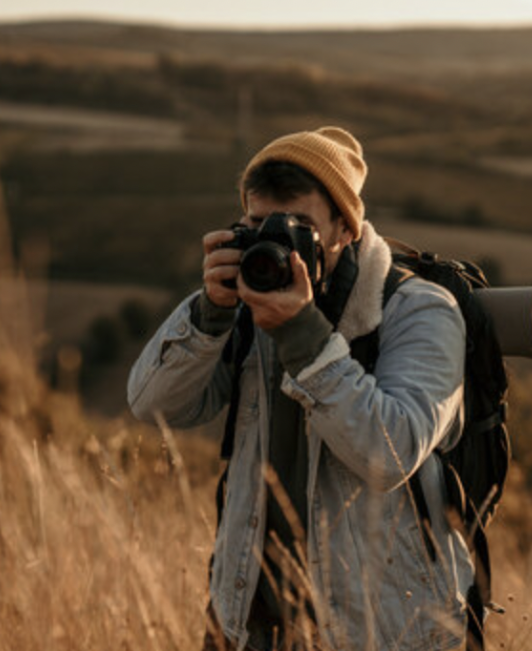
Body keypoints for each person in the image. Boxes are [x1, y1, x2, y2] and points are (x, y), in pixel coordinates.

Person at [128, 127, 473, 651]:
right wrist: (209, 316)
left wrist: (304, 337)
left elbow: (391, 452)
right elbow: (151, 405)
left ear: (346, 228)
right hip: (246, 617)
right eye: (257, 225)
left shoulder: (420, 311)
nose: (277, 243)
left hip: (378, 630)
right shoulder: (248, 304)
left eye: (299, 227)